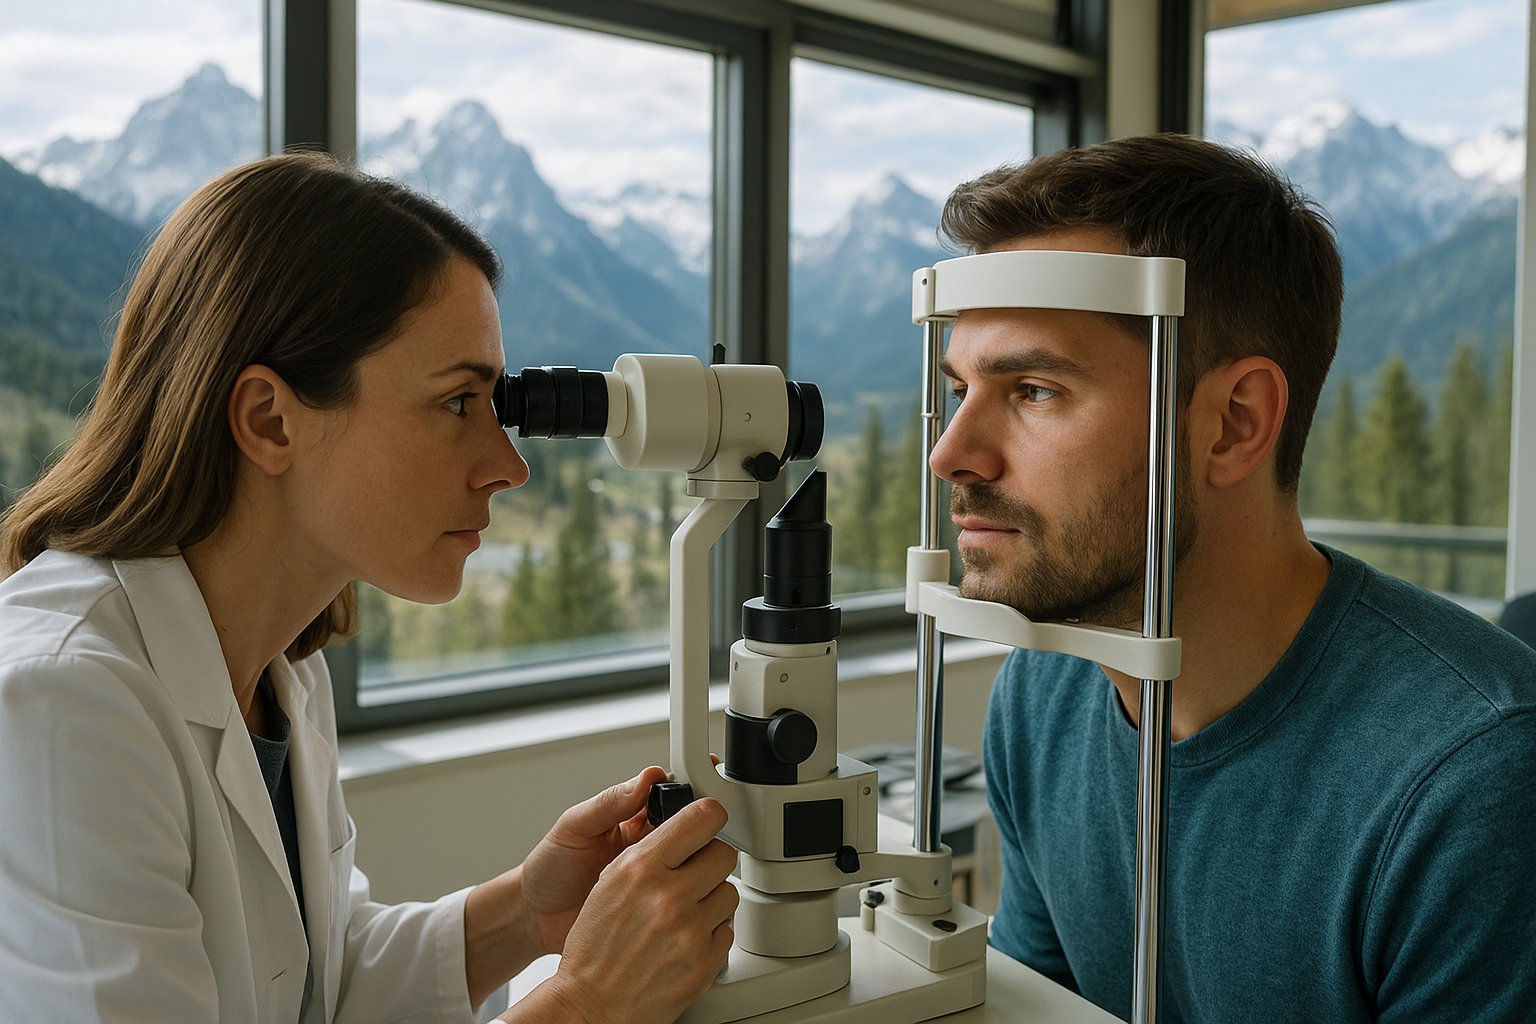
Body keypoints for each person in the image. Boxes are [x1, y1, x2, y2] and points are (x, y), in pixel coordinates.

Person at [0, 152, 738, 1024]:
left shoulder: (280, 666)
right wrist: (590, 1001)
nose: (509, 466)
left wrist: (528, 916)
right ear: (270, 420)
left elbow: (318, 978)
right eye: (458, 403)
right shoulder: (62, 704)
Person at [929, 134, 1536, 1022]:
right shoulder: (1041, 695)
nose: (952, 454)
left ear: (1235, 424)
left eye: (1034, 389)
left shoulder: (1475, 784)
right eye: (959, 391)